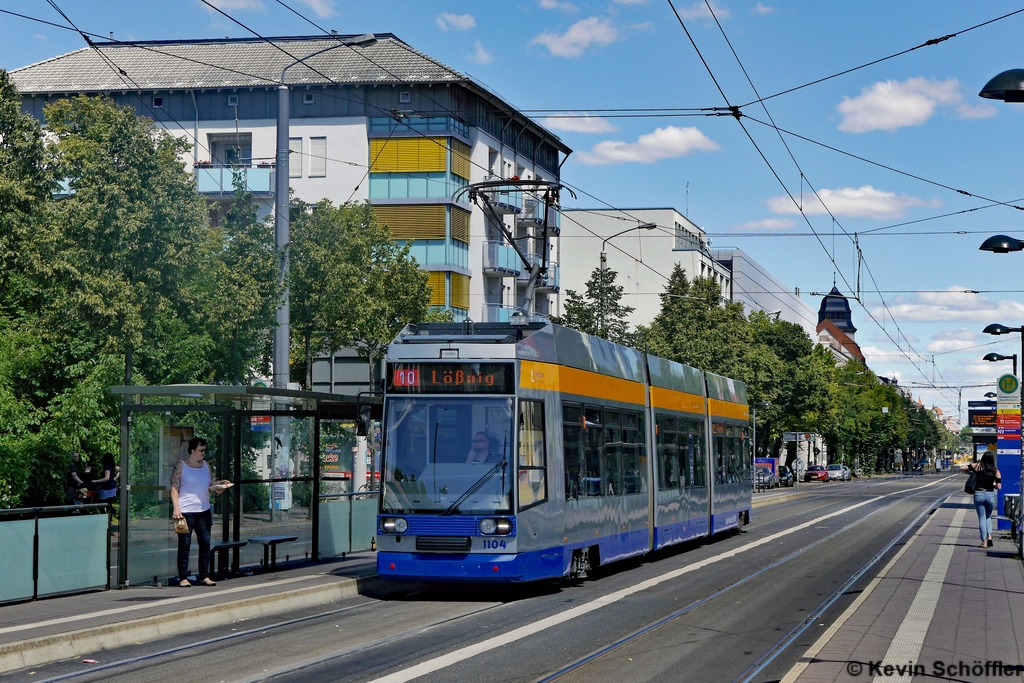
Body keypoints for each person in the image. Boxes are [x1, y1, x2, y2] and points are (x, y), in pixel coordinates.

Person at [171, 437, 226, 587]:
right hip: (185, 512)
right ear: (193, 450)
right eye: (201, 450)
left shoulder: (206, 466)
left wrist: (219, 487)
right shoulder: (181, 466)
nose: (203, 453)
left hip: (203, 510)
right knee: (185, 544)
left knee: (205, 543)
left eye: (204, 450)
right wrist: (176, 508)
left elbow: (210, 484)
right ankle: (183, 577)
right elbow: (174, 489)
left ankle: (205, 575)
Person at [962, 452, 1001, 548]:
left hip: (978, 494)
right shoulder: (996, 471)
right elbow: (999, 487)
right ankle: (990, 536)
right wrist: (994, 484)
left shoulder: (977, 466)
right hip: (990, 495)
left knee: (981, 518)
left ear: (982, 458)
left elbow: (962, 468)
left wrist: (971, 473)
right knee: (988, 516)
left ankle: (984, 542)